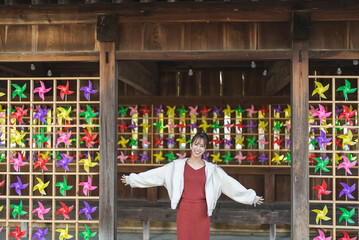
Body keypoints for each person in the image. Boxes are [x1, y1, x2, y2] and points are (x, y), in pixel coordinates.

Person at [121, 132, 264, 240]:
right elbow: (154, 175)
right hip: (184, 210)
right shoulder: (176, 166)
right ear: (191, 145)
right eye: (196, 144)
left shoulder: (212, 170)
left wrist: (251, 197)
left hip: (202, 211)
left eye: (202, 146)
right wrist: (131, 179)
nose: (198, 148)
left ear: (205, 149)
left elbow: (231, 185)